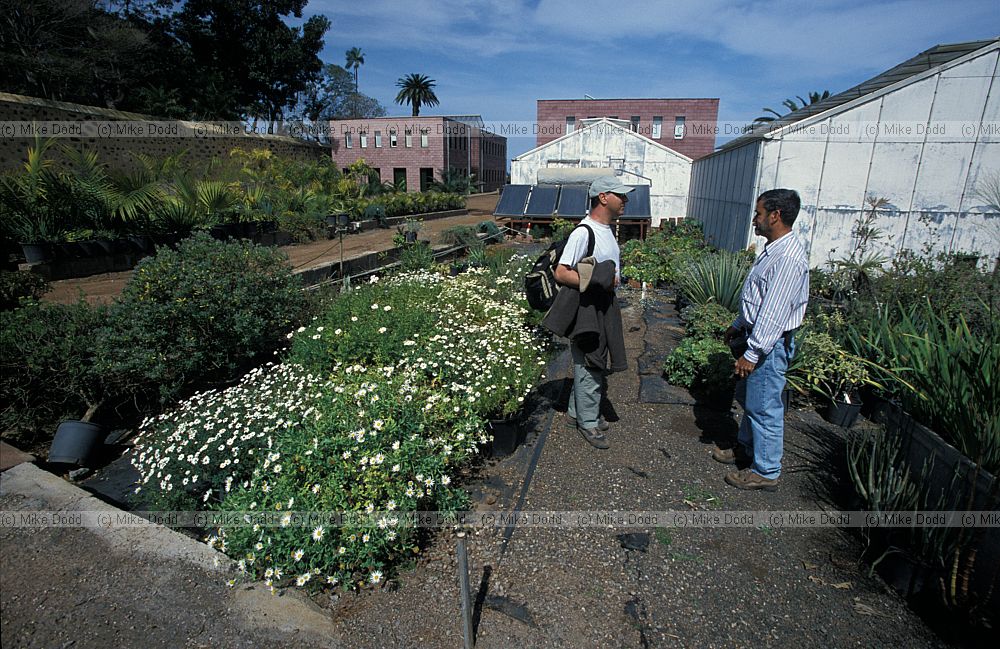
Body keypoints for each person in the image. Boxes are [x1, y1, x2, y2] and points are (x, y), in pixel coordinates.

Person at [714, 189, 809, 491]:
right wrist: (738, 323)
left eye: (758, 213)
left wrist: (753, 352)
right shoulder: (774, 249)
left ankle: (766, 471)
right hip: (756, 335)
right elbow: (758, 297)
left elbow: (773, 311)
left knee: (765, 406)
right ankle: (746, 448)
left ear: (775, 216)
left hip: (768, 343)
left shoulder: (788, 259)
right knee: (752, 401)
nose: (755, 219)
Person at [552, 176, 632, 449]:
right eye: (621, 195)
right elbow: (561, 273)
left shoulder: (607, 229)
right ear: (603, 197)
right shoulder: (583, 232)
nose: (626, 200)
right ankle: (588, 423)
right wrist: (598, 281)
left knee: (591, 361)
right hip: (588, 309)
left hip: (602, 305)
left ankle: (577, 413)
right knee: (590, 363)